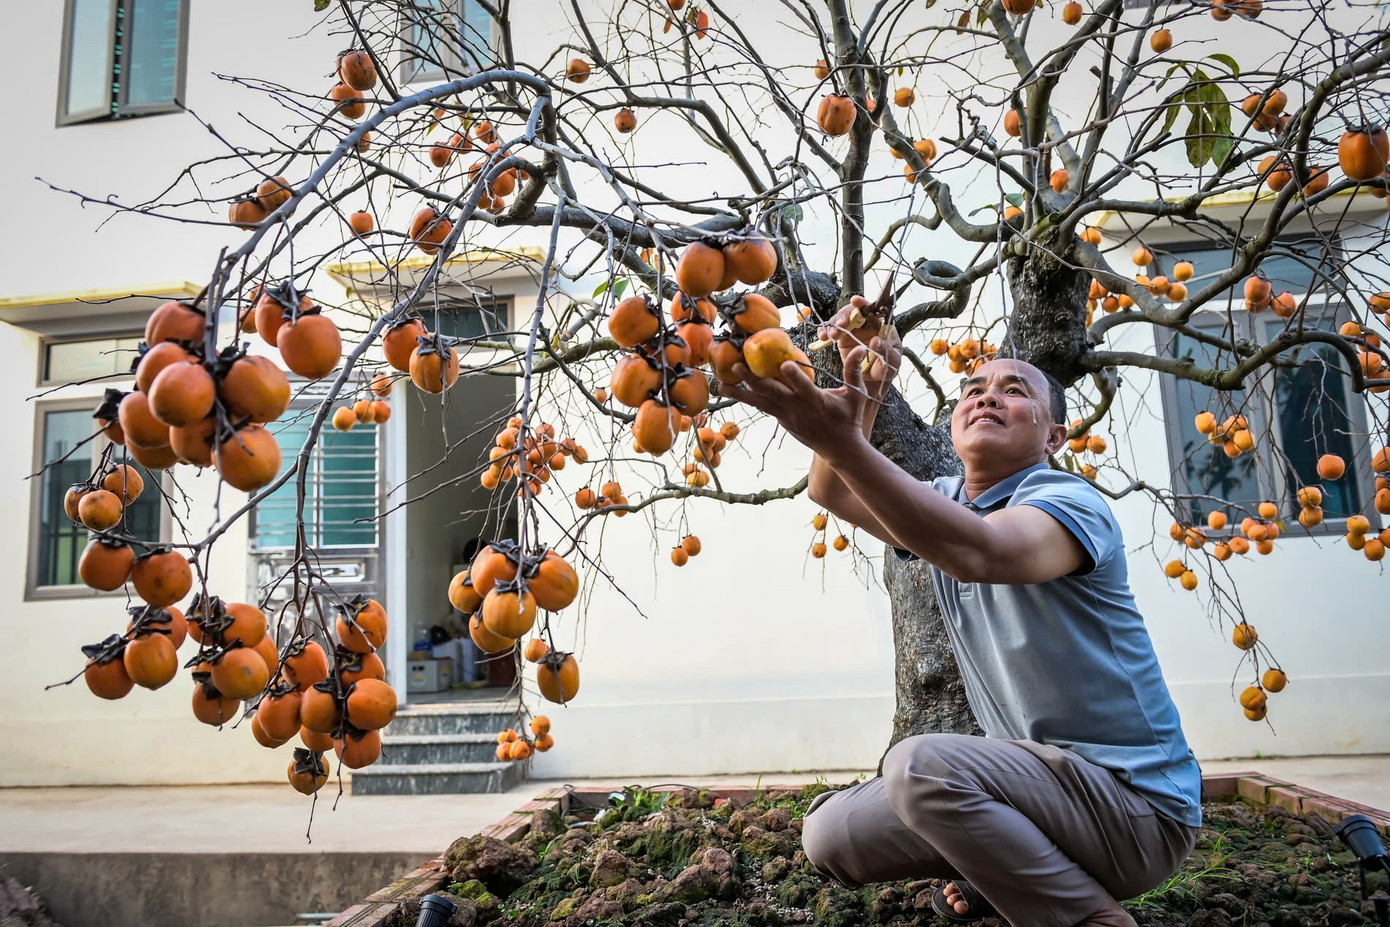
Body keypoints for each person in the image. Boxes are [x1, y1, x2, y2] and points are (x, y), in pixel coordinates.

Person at [718, 297, 1201, 927]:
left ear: (1054, 436)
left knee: (919, 764)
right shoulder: (948, 502)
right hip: (1046, 800)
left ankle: (1087, 918)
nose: (987, 396)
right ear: (952, 425)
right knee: (831, 834)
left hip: (1138, 811)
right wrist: (860, 388)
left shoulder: (1070, 500)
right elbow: (832, 487)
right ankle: (1007, 878)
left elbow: (981, 552)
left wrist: (841, 435)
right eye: (972, 388)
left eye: (1014, 389)